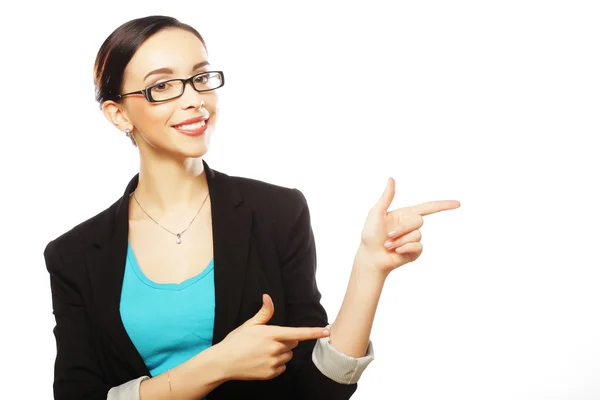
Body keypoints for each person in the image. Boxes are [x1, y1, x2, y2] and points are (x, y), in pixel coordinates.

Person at [43, 15, 460, 400]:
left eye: (201, 77)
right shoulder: (74, 255)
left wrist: (370, 267)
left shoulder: (277, 213)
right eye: (163, 86)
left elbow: (317, 391)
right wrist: (218, 363)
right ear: (118, 115)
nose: (194, 99)